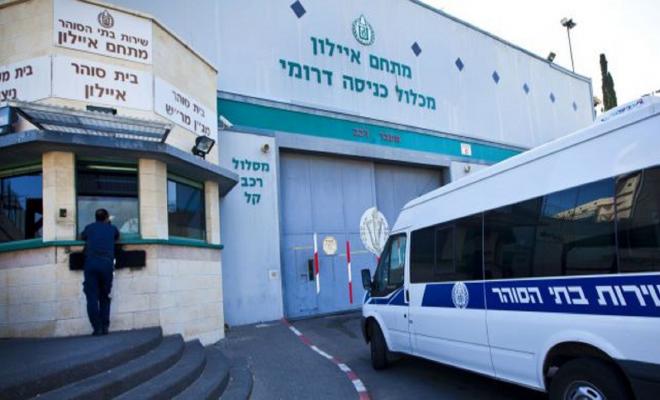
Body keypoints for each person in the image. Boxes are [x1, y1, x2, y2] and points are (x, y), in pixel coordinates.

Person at [81, 208, 119, 336]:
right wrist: (108, 224)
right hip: (106, 264)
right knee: (105, 296)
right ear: (107, 218)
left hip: (91, 263)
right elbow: (117, 236)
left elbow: (82, 236)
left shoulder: (89, 228)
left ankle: (97, 328)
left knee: (91, 297)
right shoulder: (112, 228)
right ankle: (105, 327)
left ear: (95, 218)